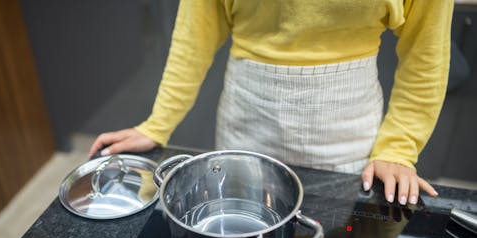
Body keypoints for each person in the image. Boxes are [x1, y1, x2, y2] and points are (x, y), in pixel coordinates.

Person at [89, 0, 453, 205]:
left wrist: (398, 149)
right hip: (247, 119)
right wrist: (157, 124)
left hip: (348, 134)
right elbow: (194, 34)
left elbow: (426, 52)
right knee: (241, 236)